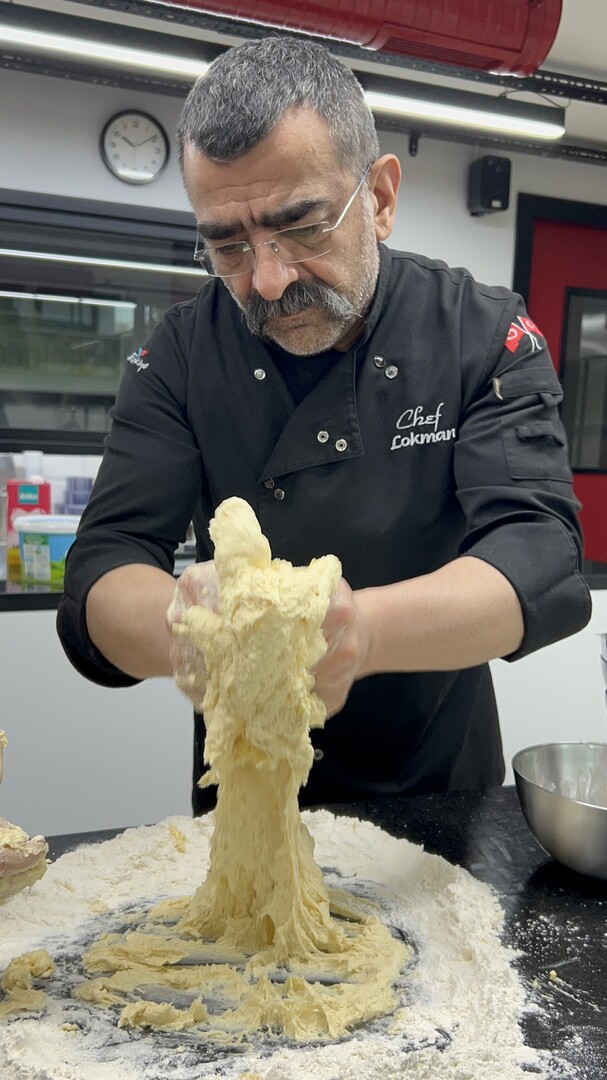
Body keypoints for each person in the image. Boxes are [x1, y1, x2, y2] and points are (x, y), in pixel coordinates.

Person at [57, 36, 591, 812]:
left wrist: (359, 630)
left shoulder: (477, 331)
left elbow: (538, 551)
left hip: (438, 792)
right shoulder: (180, 353)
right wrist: (193, 629)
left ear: (379, 197)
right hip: (247, 790)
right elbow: (104, 563)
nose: (268, 280)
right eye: (228, 246)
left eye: (303, 226)